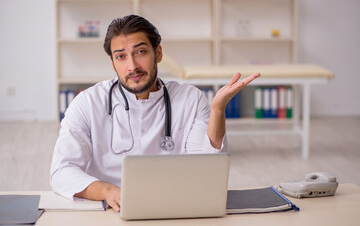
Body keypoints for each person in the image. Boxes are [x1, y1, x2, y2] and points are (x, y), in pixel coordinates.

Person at [50, 15, 260, 212]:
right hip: (112, 211)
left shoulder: (190, 99)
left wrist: (217, 110)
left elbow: (208, 168)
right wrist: (108, 191)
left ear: (158, 53)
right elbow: (62, 171)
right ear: (113, 64)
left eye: (140, 52)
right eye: (121, 57)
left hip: (177, 207)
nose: (132, 66)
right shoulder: (87, 103)